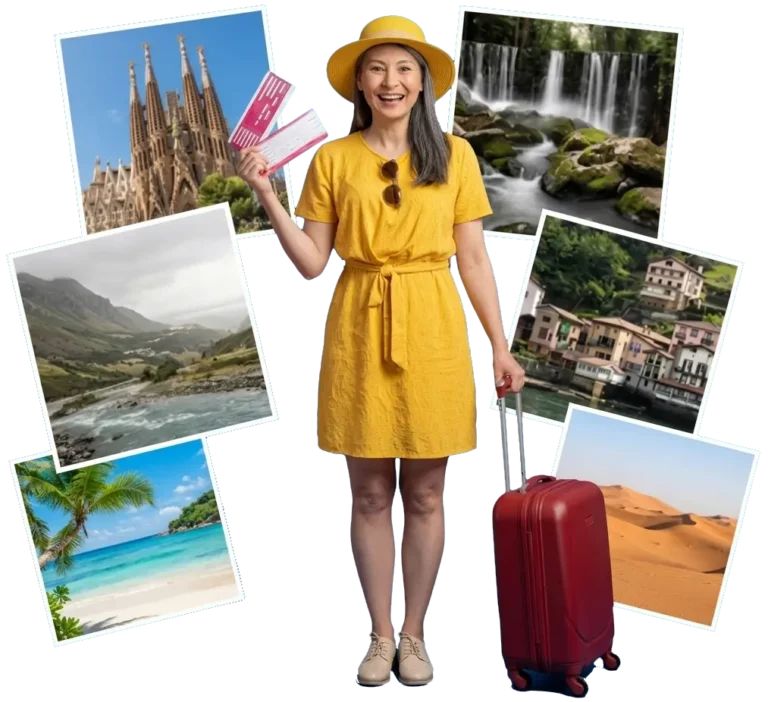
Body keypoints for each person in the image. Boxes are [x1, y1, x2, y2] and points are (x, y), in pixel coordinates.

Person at [238, 15, 525, 688]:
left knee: (425, 493)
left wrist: (502, 348)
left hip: (432, 322)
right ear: (359, 84)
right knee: (367, 493)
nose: (390, 81)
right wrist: (265, 191)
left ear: (422, 81)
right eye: (377, 69)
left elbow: (476, 263)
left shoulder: (455, 156)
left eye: (404, 68)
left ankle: (417, 635)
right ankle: (378, 635)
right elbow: (311, 262)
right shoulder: (334, 159)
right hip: (360, 322)